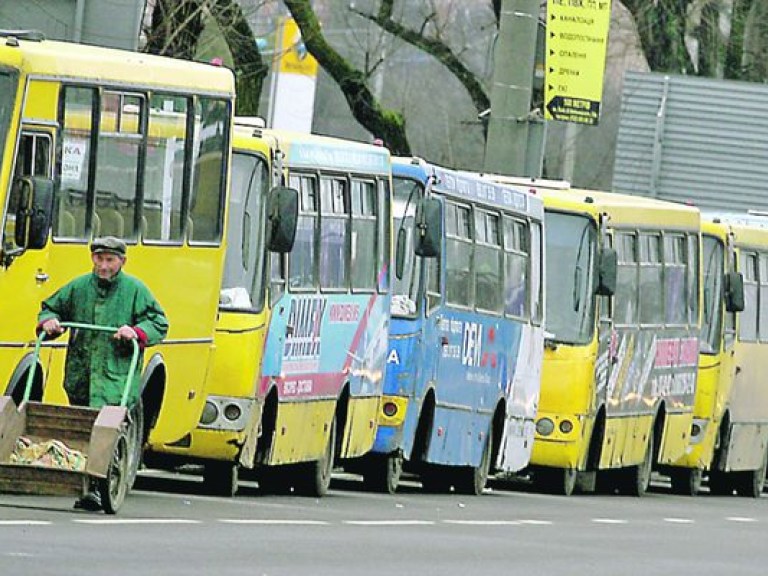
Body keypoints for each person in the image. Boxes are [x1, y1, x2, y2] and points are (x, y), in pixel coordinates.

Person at [37, 236, 168, 510]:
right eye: (99, 259)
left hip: (116, 378)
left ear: (122, 262)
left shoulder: (134, 290)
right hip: (81, 374)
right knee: (83, 429)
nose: (104, 266)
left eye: (110, 260)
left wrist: (136, 331)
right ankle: (84, 485)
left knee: (105, 430)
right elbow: (50, 307)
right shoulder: (79, 287)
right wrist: (48, 322)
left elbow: (158, 321)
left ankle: (98, 488)